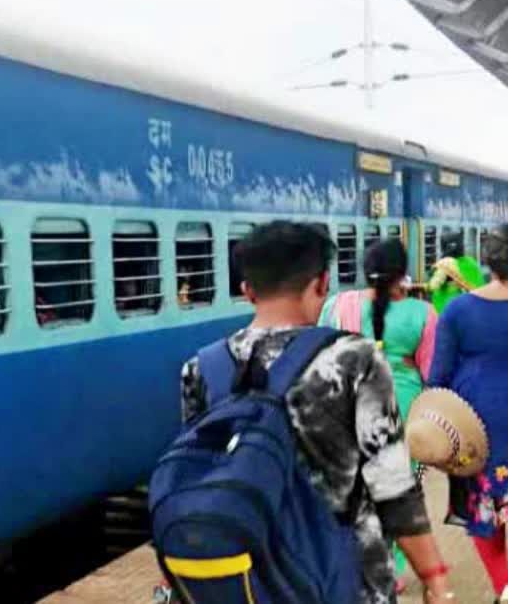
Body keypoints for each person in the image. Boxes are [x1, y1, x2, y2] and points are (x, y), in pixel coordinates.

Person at [180, 221, 452, 603]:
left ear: (246, 290)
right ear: (322, 284)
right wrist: (433, 574)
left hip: (246, 574)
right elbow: (391, 483)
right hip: (345, 579)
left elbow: (201, 474)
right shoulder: (355, 361)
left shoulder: (200, 368)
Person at [320, 238, 439, 590]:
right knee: (403, 489)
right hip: (404, 409)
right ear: (402, 274)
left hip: (346, 408)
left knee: (354, 489)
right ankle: (395, 568)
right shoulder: (423, 314)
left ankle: (353, 562)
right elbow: (433, 370)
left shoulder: (337, 305)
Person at [431, 224, 508, 602]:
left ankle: (502, 587)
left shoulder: (459, 309)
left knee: (485, 517)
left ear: (489, 261)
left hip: (476, 429)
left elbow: (438, 379)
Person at [430, 231, 485, 313]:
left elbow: (433, 286)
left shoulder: (443, 264)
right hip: (470, 312)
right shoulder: (471, 264)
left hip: (444, 313)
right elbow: (480, 287)